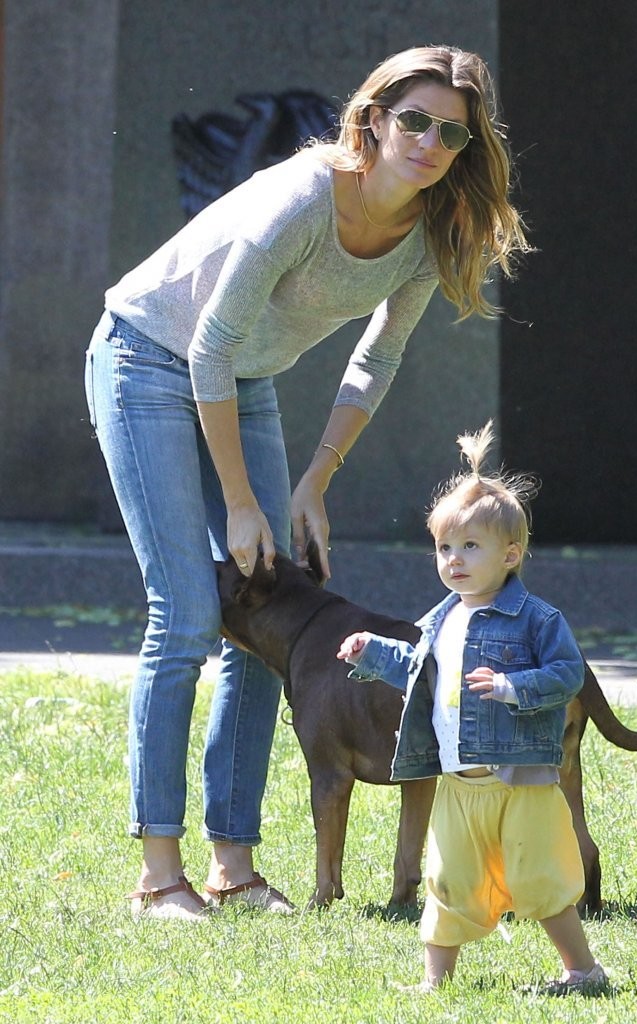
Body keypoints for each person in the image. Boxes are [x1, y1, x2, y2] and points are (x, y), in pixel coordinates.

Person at [84, 44, 530, 921]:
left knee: (267, 623)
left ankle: (234, 867)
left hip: (244, 381)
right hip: (145, 359)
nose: (430, 143)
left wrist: (314, 481)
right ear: (374, 119)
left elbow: (378, 358)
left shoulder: (427, 231)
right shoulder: (303, 199)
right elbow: (207, 345)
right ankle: (159, 877)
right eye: (415, 121)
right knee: (186, 615)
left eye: (451, 133)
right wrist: (240, 503)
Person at [337, 422, 608, 995]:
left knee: (539, 879)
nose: (453, 560)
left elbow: (568, 673)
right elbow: (418, 669)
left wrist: (514, 686)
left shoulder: (537, 619)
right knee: (447, 880)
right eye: (444, 547)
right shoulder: (441, 620)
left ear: (510, 554)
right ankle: (435, 982)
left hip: (521, 781)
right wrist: (372, 653)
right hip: (459, 783)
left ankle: (583, 970)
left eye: (469, 547)